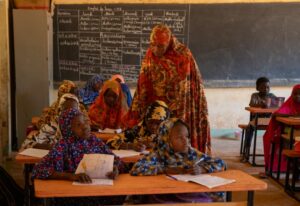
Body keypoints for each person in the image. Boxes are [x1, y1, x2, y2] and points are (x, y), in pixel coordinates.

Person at [124, 24, 210, 153]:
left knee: (176, 138)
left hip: (179, 107)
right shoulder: (150, 54)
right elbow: (144, 81)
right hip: (155, 108)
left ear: (169, 42)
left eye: (160, 46)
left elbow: (188, 85)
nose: (156, 49)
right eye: (152, 44)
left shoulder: (183, 54)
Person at [32, 108, 125, 205]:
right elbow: (38, 169)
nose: (85, 126)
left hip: (100, 190)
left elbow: (117, 161)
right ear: (69, 130)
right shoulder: (63, 145)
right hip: (75, 195)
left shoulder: (93, 140)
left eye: (85, 121)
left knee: (121, 194)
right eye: (78, 125)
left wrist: (115, 169)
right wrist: (70, 176)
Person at [129, 118, 225, 203]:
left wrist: (202, 169)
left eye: (187, 136)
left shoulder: (191, 153)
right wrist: (165, 170)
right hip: (165, 195)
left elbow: (220, 163)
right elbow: (137, 169)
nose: (185, 141)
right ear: (166, 139)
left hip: (189, 193)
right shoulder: (158, 154)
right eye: (179, 137)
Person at [21, 83, 85, 150]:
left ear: (78, 111)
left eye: (74, 111)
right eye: (66, 110)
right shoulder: (52, 126)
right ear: (60, 111)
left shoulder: (83, 128)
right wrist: (50, 147)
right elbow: (27, 144)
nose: (70, 113)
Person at [263, 84, 300, 175]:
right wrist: (291, 115)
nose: (298, 96)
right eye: (295, 94)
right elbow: (276, 114)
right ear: (291, 94)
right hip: (289, 132)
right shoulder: (289, 104)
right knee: (291, 145)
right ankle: (294, 167)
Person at [106, 100, 170, 151]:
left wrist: (156, 145)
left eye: (158, 123)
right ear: (145, 120)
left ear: (165, 122)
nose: (153, 126)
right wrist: (131, 146)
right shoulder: (136, 131)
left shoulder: (170, 133)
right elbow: (110, 142)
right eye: (150, 122)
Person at [241, 77, 277, 162]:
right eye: (263, 87)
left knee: (278, 130)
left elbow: (277, 105)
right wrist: (261, 105)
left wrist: (271, 105)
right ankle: (247, 152)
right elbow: (252, 104)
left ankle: (274, 154)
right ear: (257, 88)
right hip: (256, 119)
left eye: (268, 87)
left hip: (268, 121)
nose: (265, 89)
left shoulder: (272, 96)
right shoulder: (255, 95)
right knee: (249, 129)